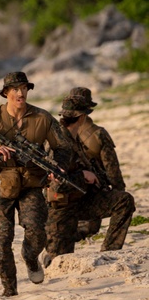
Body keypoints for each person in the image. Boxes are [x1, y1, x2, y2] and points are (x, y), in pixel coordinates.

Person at [0, 72, 76, 297]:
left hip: (31, 184)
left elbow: (63, 147)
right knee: (3, 239)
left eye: (24, 88)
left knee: (36, 232)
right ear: (6, 93)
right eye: (15, 89)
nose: (20, 93)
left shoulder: (42, 118)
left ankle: (31, 258)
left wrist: (57, 168)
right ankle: (9, 289)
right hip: (0, 185)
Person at [44, 87, 136, 266]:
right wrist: (84, 175)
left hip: (78, 202)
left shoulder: (72, 137)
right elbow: (57, 183)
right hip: (60, 210)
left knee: (123, 201)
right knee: (58, 262)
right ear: (82, 117)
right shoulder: (59, 142)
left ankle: (109, 254)